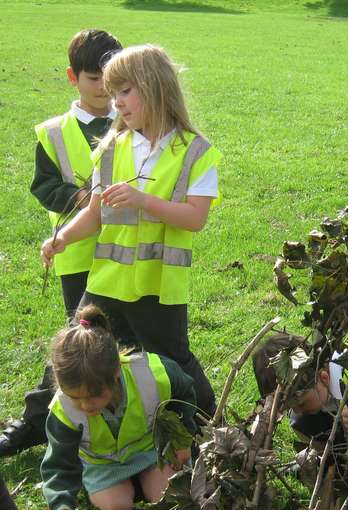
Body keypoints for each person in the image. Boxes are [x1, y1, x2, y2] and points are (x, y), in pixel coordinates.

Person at [40, 43, 221, 425]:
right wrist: (63, 239)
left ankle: (209, 425)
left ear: (154, 88)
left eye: (125, 91)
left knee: (172, 360)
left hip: (157, 286)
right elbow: (95, 214)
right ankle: (65, 427)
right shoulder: (111, 146)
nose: (114, 101)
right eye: (112, 91)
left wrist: (143, 200)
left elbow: (195, 218)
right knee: (81, 346)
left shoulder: (194, 153)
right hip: (106, 280)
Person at [0, 29, 122, 458]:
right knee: (80, 342)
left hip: (131, 256)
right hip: (78, 257)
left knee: (136, 340)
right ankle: (36, 421)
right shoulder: (54, 132)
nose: (105, 91)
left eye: (112, 79)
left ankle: (136, 418)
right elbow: (43, 185)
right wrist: (78, 199)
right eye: (94, 79)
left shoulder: (134, 120)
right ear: (72, 77)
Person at [41, 304, 196, 510]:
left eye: (93, 396)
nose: (84, 405)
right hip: (102, 465)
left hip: (148, 451)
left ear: (115, 373)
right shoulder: (63, 410)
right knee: (118, 507)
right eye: (75, 397)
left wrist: (182, 439)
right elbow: (58, 464)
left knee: (167, 496)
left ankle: (145, 481)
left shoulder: (149, 373)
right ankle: (123, 488)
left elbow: (184, 389)